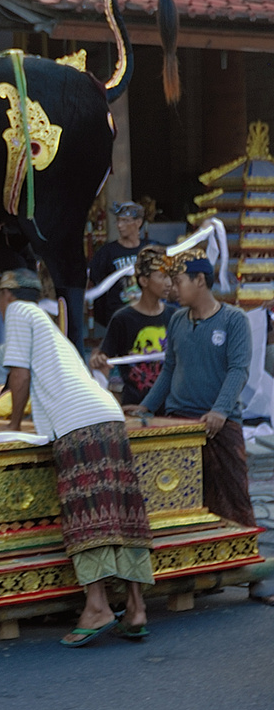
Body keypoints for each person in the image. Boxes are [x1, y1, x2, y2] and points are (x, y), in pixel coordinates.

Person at [0, 268, 154, 646]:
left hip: (79, 424)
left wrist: (13, 424)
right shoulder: (41, 324)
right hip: (108, 416)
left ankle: (96, 607)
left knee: (88, 514)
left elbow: (18, 375)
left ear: (7, 295)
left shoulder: (17, 313)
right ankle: (135, 607)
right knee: (121, 510)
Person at [126, 249, 258, 539]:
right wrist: (147, 408)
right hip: (177, 423)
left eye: (178, 280)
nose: (172, 288)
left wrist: (220, 410)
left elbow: (238, 370)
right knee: (182, 500)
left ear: (200, 280)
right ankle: (200, 564)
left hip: (219, 424)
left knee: (234, 496)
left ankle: (246, 559)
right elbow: (169, 369)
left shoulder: (234, 320)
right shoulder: (177, 320)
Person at [89, 246, 176, 408]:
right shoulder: (123, 319)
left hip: (171, 407)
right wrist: (99, 360)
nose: (168, 283)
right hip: (134, 405)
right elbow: (104, 361)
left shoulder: (175, 316)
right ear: (144, 281)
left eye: (170, 276)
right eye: (162, 277)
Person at [88, 201, 148, 327]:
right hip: (118, 315)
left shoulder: (149, 250)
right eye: (118, 221)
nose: (120, 225)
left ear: (138, 222)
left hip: (146, 311)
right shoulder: (107, 252)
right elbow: (93, 280)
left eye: (125, 221)